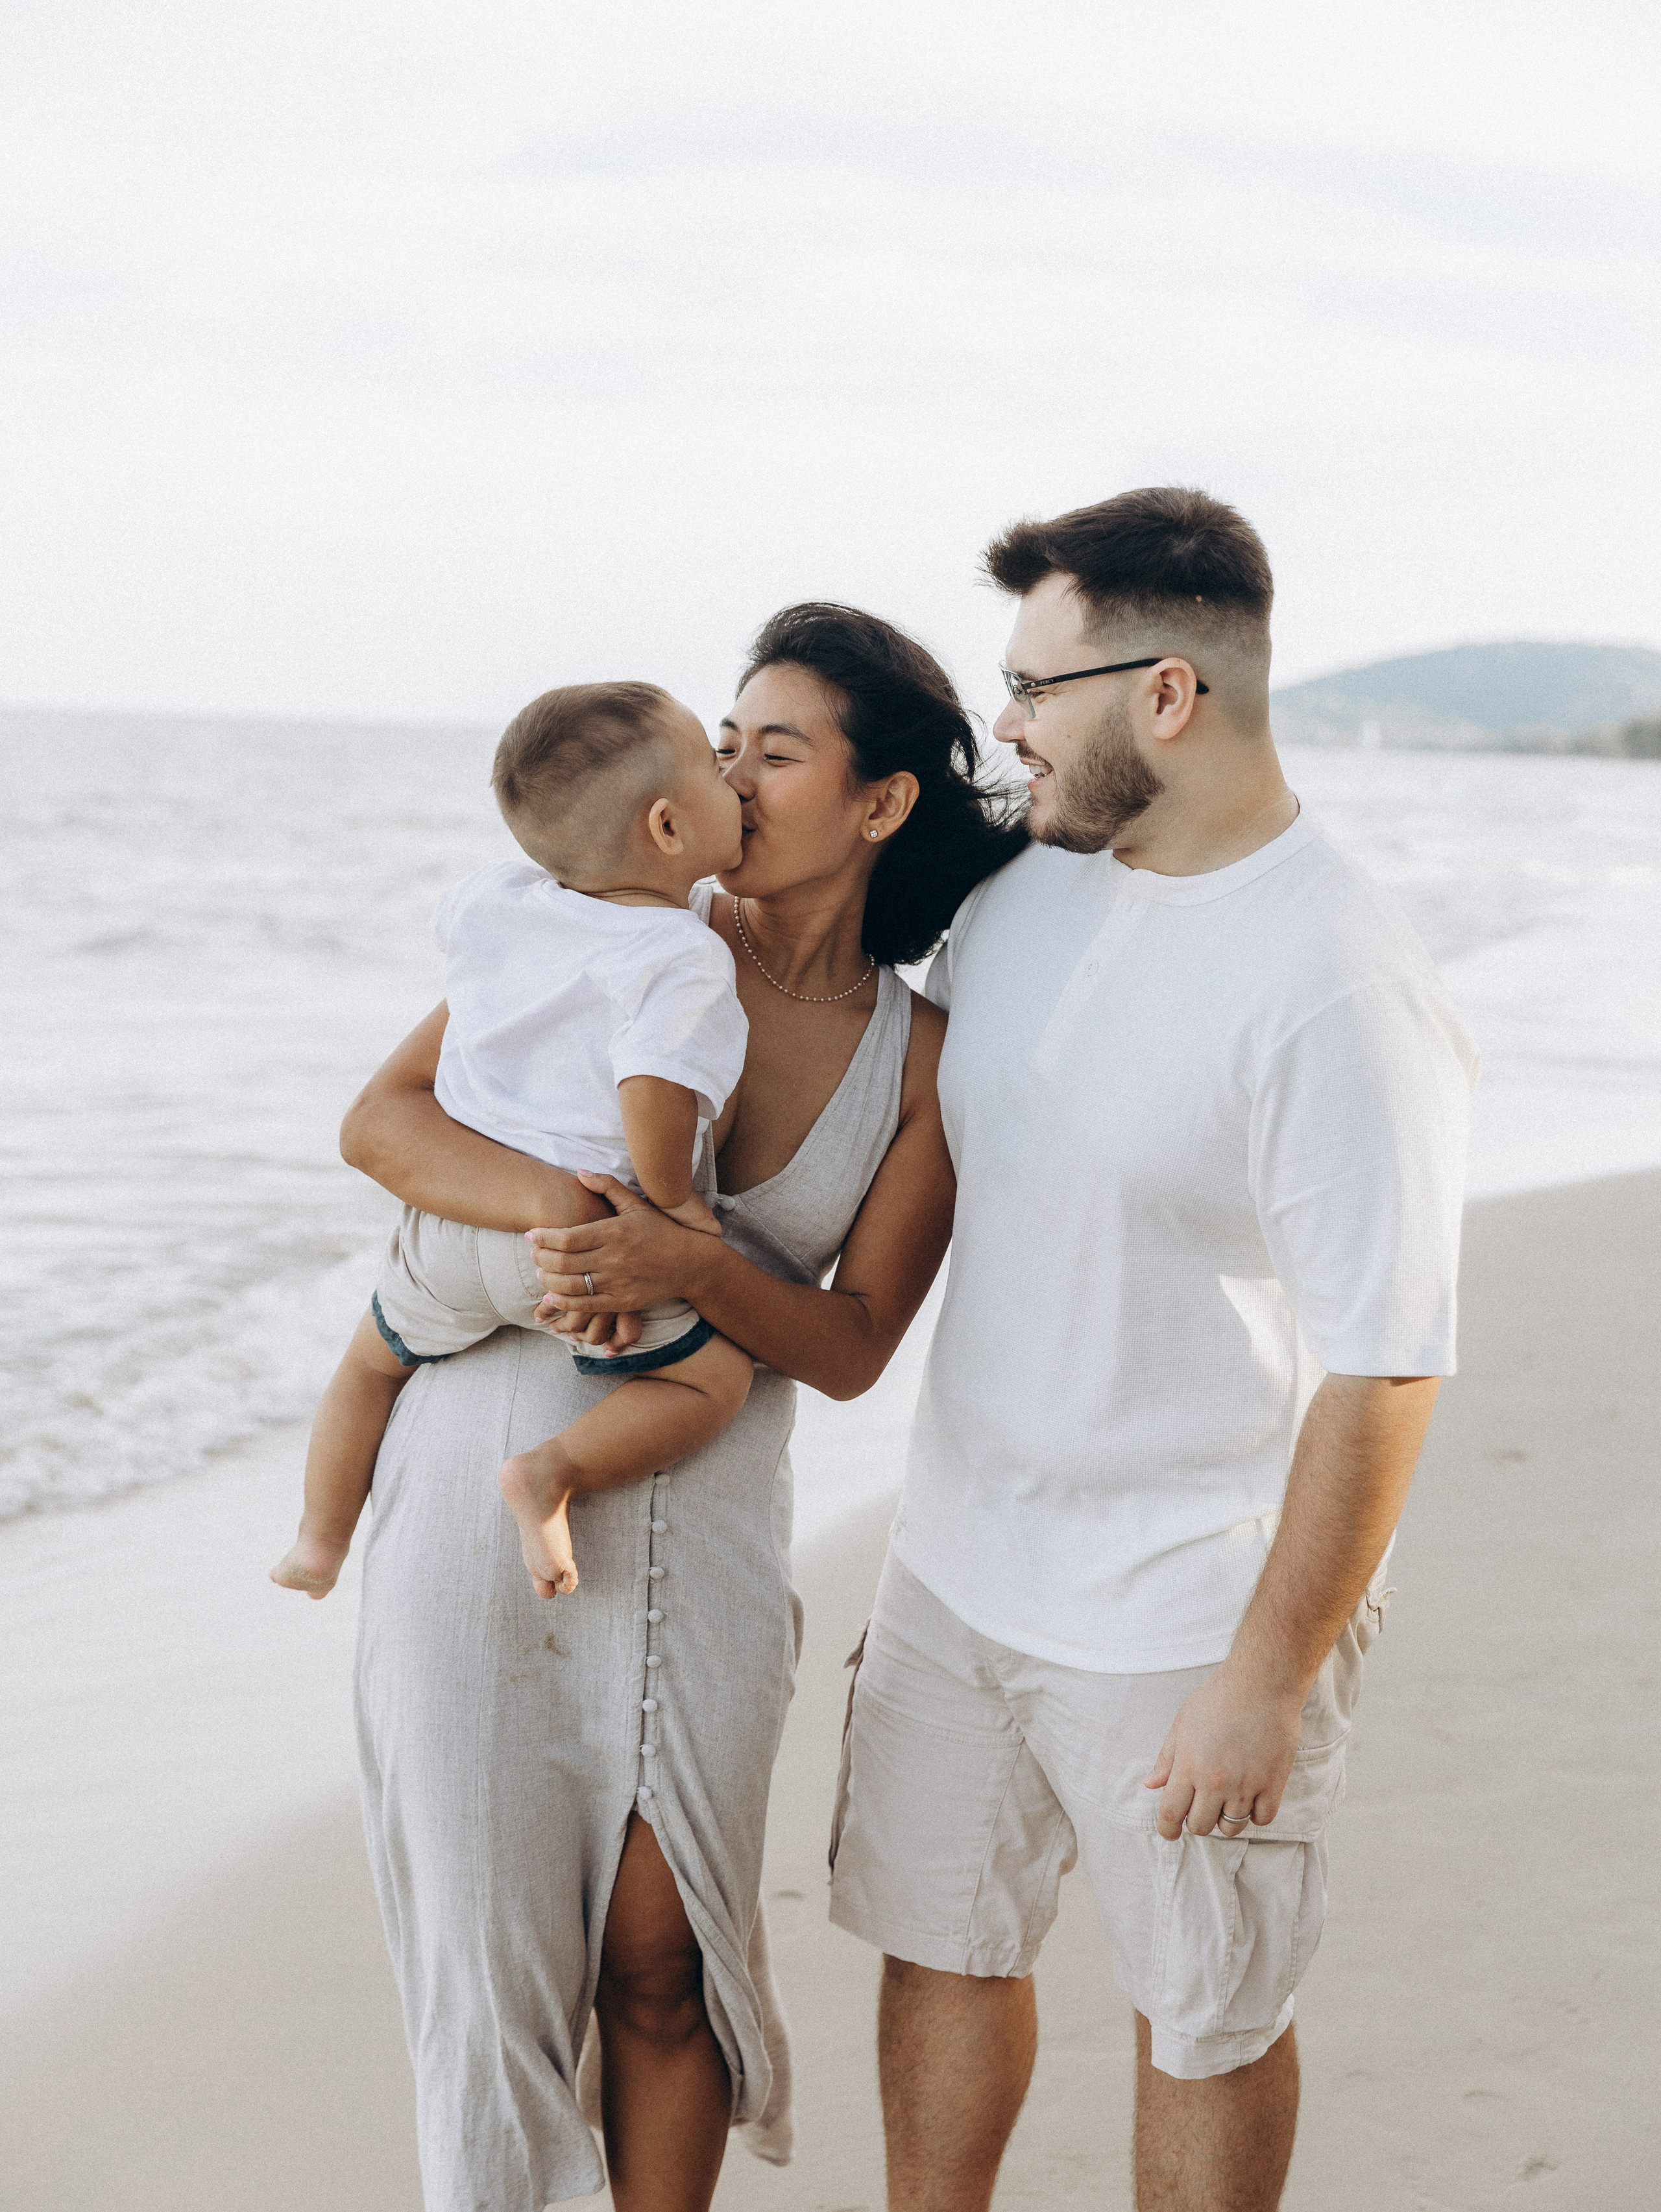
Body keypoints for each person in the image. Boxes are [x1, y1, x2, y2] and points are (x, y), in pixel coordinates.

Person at [825, 489, 1479, 2212]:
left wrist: (1267, 1676)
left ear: (1167, 695)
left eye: (1037, 684)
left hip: (1191, 1605)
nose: (1010, 722)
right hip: (960, 1568)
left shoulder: (1336, 977)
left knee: (1202, 2016)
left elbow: (1389, 1362)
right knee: (942, 1947)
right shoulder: (1030, 889)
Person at [339, 603, 1026, 2212]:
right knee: (493, 1979)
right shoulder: (613, 930)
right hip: (486, 1470)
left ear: (879, 804)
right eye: (725, 746)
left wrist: (687, 1264)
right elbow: (381, 1122)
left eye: (774, 752)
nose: (729, 777)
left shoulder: (924, 1055)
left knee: (668, 1962)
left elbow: (855, 1343)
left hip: (707, 1501)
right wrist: (581, 1215)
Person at [271, 681, 754, 1604]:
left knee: (369, 1363)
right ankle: (551, 1475)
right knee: (714, 1384)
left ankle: (319, 1540)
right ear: (666, 828)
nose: (734, 781)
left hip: (448, 1229)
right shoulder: (680, 953)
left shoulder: (494, 901)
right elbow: (653, 1089)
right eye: (714, 763)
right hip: (574, 1249)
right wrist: (678, 1205)